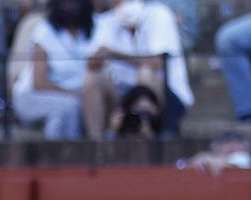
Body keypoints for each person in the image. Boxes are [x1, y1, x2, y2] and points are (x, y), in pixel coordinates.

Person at [82, 0, 191, 137]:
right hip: (122, 97)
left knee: (145, 72)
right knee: (92, 79)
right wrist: (97, 57)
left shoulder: (159, 14)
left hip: (164, 96)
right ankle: (96, 143)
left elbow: (157, 62)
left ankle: (148, 129)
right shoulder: (106, 21)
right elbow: (91, 66)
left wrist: (114, 54)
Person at [11, 0, 94, 139]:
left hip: (78, 97)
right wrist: (74, 95)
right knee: (68, 106)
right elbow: (39, 83)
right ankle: (56, 154)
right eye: (66, 3)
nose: (70, 7)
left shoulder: (92, 31)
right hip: (32, 96)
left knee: (78, 105)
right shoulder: (44, 31)